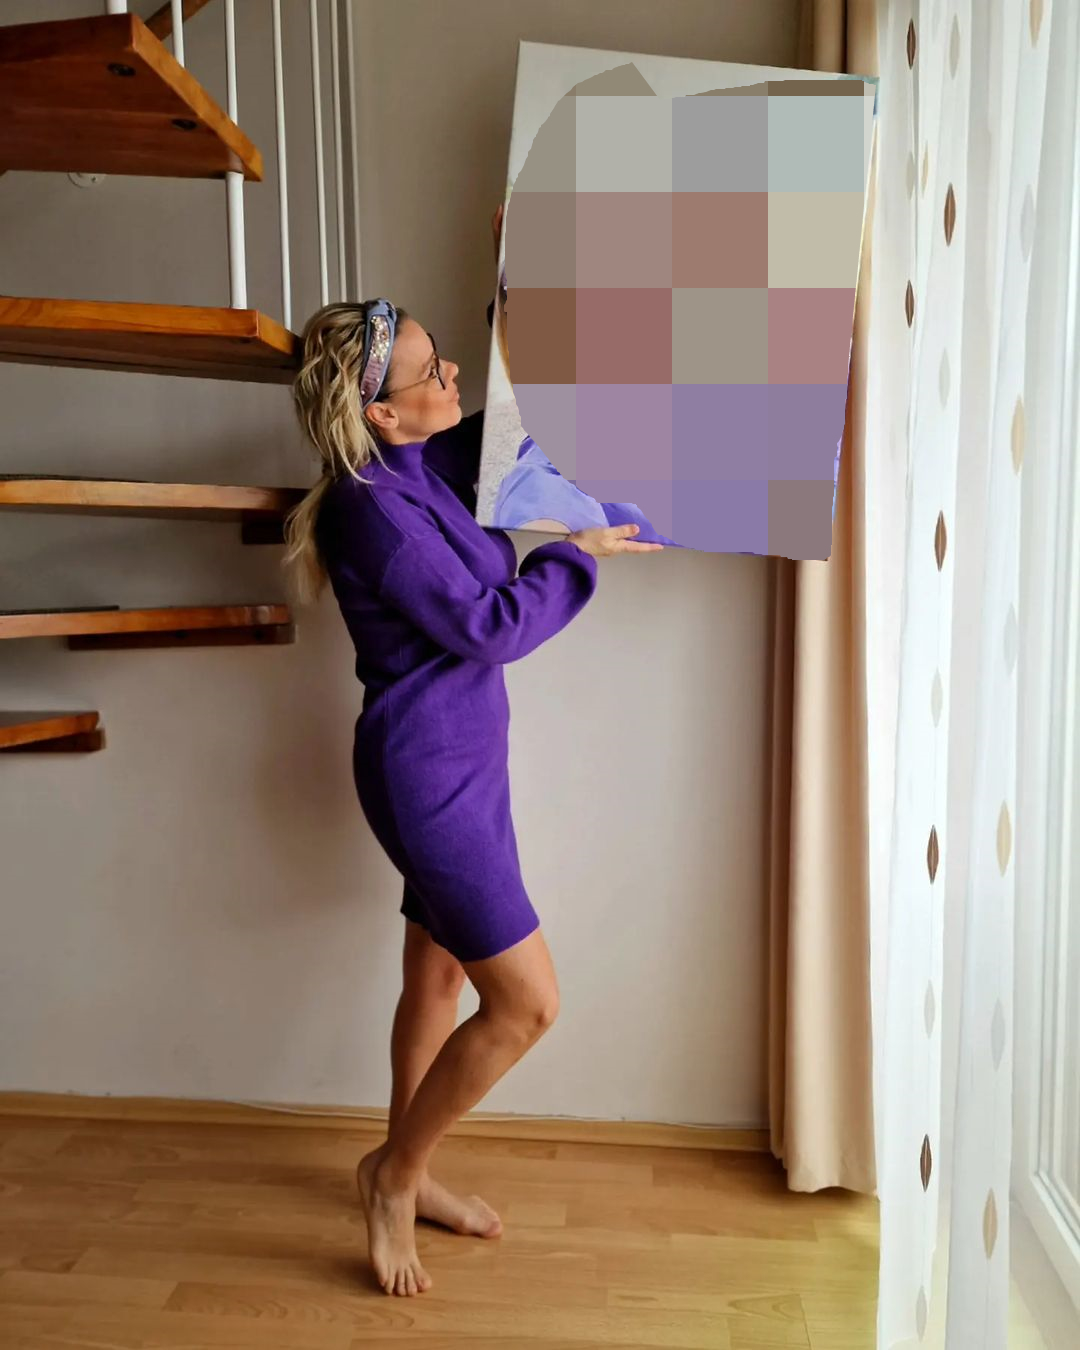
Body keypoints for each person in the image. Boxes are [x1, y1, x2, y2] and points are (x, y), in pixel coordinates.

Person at [282, 262, 661, 1298]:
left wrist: (531, 287)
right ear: (379, 411)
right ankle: (392, 1176)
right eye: (431, 371)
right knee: (527, 1004)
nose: (451, 375)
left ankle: (412, 1168)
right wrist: (577, 555)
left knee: (440, 979)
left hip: (462, 761)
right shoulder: (371, 511)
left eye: (445, 359)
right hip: (427, 779)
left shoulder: (419, 460)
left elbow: (512, 420)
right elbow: (489, 627)